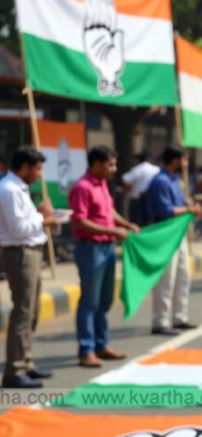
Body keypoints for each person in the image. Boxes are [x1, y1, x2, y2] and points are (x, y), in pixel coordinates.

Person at [69, 146, 138, 368]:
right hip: (91, 249)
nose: (113, 169)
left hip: (107, 249)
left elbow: (109, 212)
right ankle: (86, 350)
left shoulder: (102, 185)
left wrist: (125, 224)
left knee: (105, 300)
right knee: (89, 301)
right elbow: (80, 221)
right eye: (110, 164)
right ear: (96, 164)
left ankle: (101, 344)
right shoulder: (82, 187)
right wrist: (112, 232)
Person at [0, 147, 62, 388]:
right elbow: (18, 229)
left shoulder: (19, 189)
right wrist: (42, 216)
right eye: (37, 169)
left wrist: (42, 218)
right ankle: (14, 370)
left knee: (32, 311)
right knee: (23, 312)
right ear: (24, 167)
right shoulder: (9, 189)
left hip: (31, 252)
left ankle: (25, 362)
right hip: (20, 254)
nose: (39, 174)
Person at [144, 145, 202, 336]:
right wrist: (189, 210)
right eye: (184, 159)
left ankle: (179, 317)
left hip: (179, 233)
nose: (186, 163)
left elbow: (179, 204)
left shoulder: (174, 180)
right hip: (165, 234)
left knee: (183, 276)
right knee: (166, 279)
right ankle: (160, 321)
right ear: (175, 160)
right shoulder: (160, 181)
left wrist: (189, 206)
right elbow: (165, 211)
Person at [122, 151, 159, 227]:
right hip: (152, 202)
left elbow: (127, 182)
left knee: (137, 225)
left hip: (137, 202)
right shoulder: (156, 169)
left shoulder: (137, 169)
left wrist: (126, 190)